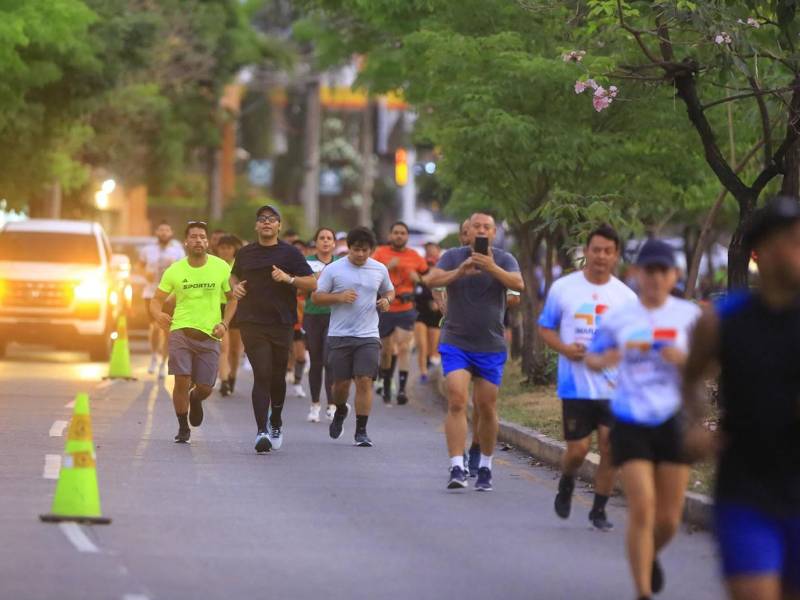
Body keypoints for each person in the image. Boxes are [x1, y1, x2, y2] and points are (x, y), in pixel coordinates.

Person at [682, 197, 800, 600]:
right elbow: (690, 378)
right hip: (745, 488)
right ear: (762, 251)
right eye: (792, 240)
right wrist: (695, 424)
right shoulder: (721, 321)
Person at [586, 239, 700, 600]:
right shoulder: (621, 317)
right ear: (635, 274)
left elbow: (709, 364)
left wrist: (684, 360)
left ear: (674, 276)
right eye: (647, 271)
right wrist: (605, 359)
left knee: (668, 519)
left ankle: (650, 554)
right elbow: (592, 356)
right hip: (630, 418)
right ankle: (642, 592)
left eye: (661, 271)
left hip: (673, 420)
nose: (654, 278)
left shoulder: (689, 316)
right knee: (643, 507)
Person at [538, 225, 637, 530]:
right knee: (578, 451)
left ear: (616, 255)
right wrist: (566, 349)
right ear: (587, 251)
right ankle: (567, 480)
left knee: (610, 449)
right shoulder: (564, 288)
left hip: (613, 388)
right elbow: (545, 328)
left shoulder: (626, 297)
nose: (601, 256)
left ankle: (599, 509)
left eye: (608, 251)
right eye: (596, 250)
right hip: (576, 386)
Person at [426, 212, 523, 491]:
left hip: (490, 344)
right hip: (456, 341)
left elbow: (518, 285)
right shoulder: (453, 256)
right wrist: (460, 272)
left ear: (494, 233)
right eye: (475, 227)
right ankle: (457, 465)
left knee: (486, 406)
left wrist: (490, 267)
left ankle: (484, 465)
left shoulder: (504, 259)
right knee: (457, 399)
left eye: (486, 227)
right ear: (467, 232)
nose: (480, 231)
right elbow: (431, 280)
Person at [230, 205, 316, 454]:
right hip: (251, 321)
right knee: (263, 374)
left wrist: (288, 279)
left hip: (281, 322)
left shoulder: (290, 254)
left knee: (278, 376)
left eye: (272, 219)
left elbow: (312, 283)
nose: (267, 222)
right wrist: (235, 288)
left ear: (278, 226)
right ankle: (261, 431)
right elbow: (233, 277)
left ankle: (276, 421)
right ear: (256, 226)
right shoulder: (245, 253)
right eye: (262, 219)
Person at [149, 221, 236, 443]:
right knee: (181, 379)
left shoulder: (220, 267)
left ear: (207, 242)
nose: (198, 240)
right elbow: (156, 300)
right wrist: (158, 314)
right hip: (181, 331)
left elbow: (233, 299)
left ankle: (195, 399)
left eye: (202, 237)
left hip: (210, 334)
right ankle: (182, 426)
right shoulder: (175, 270)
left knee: (206, 387)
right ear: (186, 242)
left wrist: (225, 324)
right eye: (194, 237)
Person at [311, 227, 394, 447]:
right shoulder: (334, 269)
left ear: (371, 250)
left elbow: (389, 291)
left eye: (365, 250)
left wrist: (387, 301)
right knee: (340, 385)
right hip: (340, 335)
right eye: (356, 249)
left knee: (364, 381)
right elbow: (316, 298)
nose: (360, 254)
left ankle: (361, 431)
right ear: (349, 247)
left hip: (368, 335)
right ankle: (340, 410)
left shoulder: (379, 269)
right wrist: (339, 297)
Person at [373, 222, 429, 405]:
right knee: (387, 351)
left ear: (407, 236)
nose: (399, 236)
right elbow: (369, 274)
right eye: (396, 233)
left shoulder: (415, 256)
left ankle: (402, 390)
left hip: (406, 308)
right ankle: (387, 382)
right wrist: (387, 267)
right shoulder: (380, 253)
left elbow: (428, 278)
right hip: (386, 307)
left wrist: (418, 279)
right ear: (390, 235)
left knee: (404, 347)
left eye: (403, 233)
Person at [139, 221, 184, 378]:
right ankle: (153, 356)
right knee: (154, 328)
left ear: (171, 232)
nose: (164, 233)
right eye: (161, 230)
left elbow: (183, 271)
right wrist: (146, 274)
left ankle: (163, 364)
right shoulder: (147, 250)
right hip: (151, 293)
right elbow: (140, 266)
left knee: (167, 331)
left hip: (170, 296)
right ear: (157, 232)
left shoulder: (178, 251)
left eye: (167, 230)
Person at [304, 227, 339, 423]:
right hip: (312, 315)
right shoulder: (307, 262)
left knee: (330, 360)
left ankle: (332, 405)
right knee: (316, 361)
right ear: (316, 242)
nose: (325, 241)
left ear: (334, 243)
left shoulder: (340, 264)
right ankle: (315, 404)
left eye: (329, 238)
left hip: (334, 316)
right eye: (322, 238)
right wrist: (312, 282)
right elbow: (301, 286)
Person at [215, 234, 244, 396]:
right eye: (222, 248)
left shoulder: (238, 265)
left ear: (234, 250)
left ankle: (232, 376)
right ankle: (224, 380)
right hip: (218, 308)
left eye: (228, 248)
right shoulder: (213, 265)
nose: (225, 251)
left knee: (235, 348)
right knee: (222, 346)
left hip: (236, 307)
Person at [414, 242, 443, 383]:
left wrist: (439, 302)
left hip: (436, 315)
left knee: (433, 349)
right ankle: (423, 373)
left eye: (433, 251)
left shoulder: (444, 270)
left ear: (438, 252)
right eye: (428, 252)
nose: (431, 254)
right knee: (422, 345)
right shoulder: (420, 271)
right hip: (420, 313)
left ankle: (432, 367)